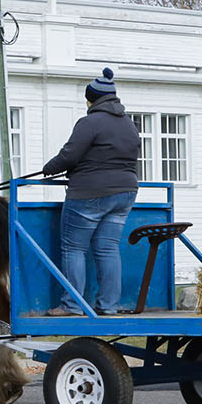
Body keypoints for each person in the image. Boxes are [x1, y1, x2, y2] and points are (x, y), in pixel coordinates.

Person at [42, 68, 141, 316]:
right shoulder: (130, 124)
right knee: (107, 248)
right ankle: (108, 305)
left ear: (92, 99)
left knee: (74, 248)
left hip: (90, 194)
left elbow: (70, 154)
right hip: (125, 192)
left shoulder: (89, 122)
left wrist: (49, 168)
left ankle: (72, 304)